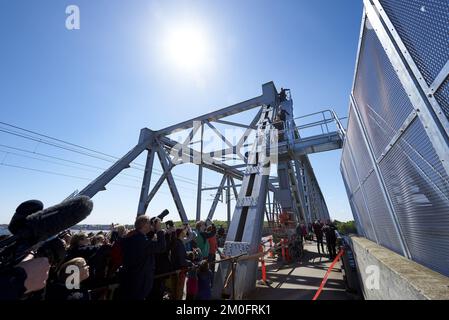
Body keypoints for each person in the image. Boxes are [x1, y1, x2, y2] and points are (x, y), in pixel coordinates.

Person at [118, 215, 166, 300]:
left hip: (129, 279)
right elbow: (161, 247)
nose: (151, 225)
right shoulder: (141, 241)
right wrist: (159, 230)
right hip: (140, 281)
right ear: (145, 225)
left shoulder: (131, 238)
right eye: (149, 223)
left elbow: (145, 240)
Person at [171, 227, 193, 300]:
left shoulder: (176, 242)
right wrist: (190, 263)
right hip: (179, 270)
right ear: (180, 234)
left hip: (176, 268)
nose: (185, 232)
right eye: (183, 231)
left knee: (175, 291)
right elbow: (181, 260)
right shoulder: (179, 244)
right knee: (178, 291)